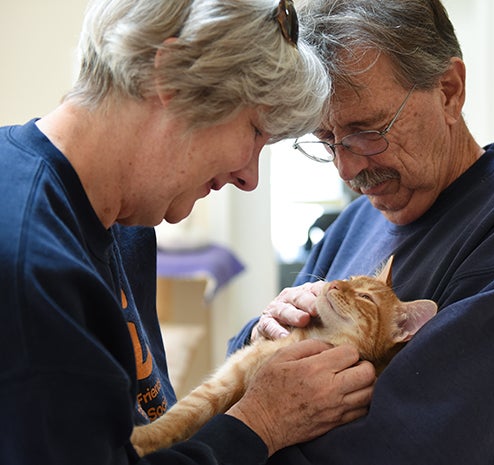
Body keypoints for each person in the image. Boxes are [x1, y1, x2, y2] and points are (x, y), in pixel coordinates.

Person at [228, 0, 494, 463]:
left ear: (449, 91)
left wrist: (249, 435)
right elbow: (251, 374)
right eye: (326, 141)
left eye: (368, 131)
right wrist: (260, 336)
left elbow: (419, 447)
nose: (347, 168)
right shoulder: (354, 223)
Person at [0, 0, 377, 463]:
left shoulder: (126, 224)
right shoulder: (26, 259)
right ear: (174, 79)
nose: (249, 178)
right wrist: (260, 422)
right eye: (256, 129)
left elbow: (141, 426)